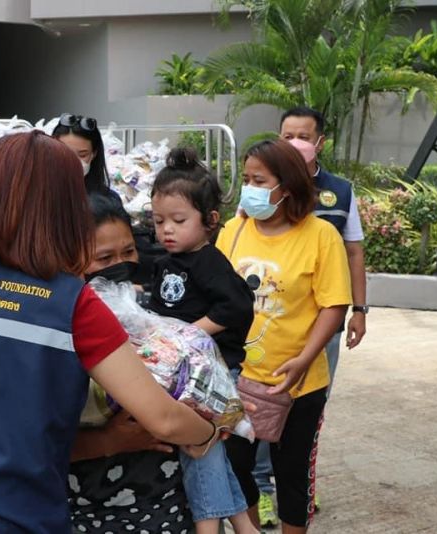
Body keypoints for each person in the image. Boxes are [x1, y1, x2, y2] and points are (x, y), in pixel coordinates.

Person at [0, 131, 219, 534]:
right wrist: (208, 431)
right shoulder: (70, 303)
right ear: (67, 210)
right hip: (4, 518)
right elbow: (161, 418)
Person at [217, 139, 351, 534]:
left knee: (290, 473)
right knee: (237, 467)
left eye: (259, 180)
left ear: (287, 186)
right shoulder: (233, 230)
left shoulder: (320, 235)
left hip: (299, 382)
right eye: (246, 179)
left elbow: (333, 305)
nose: (249, 188)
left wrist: (305, 359)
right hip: (237, 378)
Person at [253, 107, 369, 527]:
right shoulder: (261, 192)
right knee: (261, 409)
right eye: (288, 134)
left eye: (304, 135)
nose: (296, 142)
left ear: (320, 142)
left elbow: (354, 252)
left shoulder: (339, 191)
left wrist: (358, 309)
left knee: (305, 412)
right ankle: (264, 488)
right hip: (269, 327)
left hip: (322, 327)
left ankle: (298, 487)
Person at [146, 148, 258, 534]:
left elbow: (239, 306)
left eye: (178, 220)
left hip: (211, 372)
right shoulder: (164, 262)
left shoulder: (209, 262)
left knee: (197, 446)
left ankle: (208, 527)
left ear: (210, 221)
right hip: (184, 368)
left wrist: (191, 334)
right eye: (158, 220)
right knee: (207, 446)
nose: (167, 230)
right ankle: (245, 526)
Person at [69, 191, 194, 534]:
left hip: (164, 501)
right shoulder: (58, 329)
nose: (120, 265)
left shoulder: (153, 312)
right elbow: (36, 443)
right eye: (104, 257)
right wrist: (112, 441)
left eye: (128, 251)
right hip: (85, 509)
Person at [52, 113, 119, 198]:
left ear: (94, 154)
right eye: (65, 154)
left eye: (82, 155)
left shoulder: (107, 202)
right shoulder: (39, 196)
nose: (73, 162)